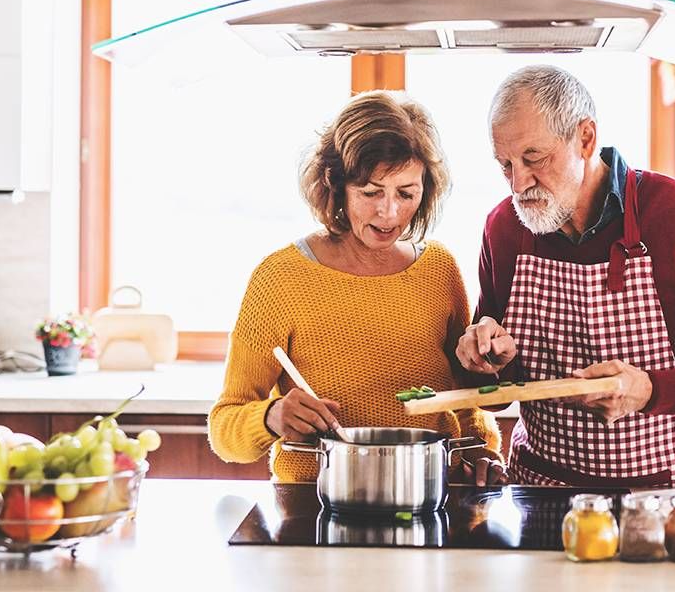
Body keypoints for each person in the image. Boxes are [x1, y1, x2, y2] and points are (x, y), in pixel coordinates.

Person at [456, 65, 675, 488]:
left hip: (667, 496)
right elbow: (492, 384)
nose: (519, 183)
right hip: (541, 491)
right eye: (505, 164)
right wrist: (488, 359)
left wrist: (650, 389)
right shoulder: (505, 228)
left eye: (534, 158)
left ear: (585, 138)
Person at [210, 90, 503, 483]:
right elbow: (225, 428)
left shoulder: (438, 269)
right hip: (316, 502)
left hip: (430, 491)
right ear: (335, 185)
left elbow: (463, 398)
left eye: (406, 193)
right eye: (370, 192)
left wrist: (482, 450)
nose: (389, 212)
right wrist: (270, 417)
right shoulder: (280, 279)